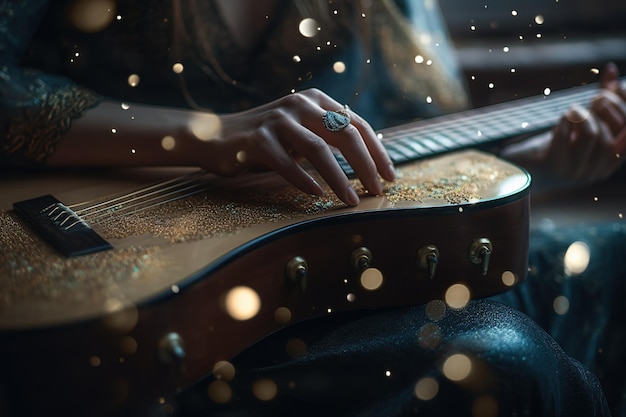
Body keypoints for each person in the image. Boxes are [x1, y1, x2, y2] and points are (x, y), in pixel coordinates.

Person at [1, 0, 625, 416]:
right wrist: (205, 134)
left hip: (354, 279)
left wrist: (536, 162)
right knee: (502, 362)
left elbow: (407, 143)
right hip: (187, 313)